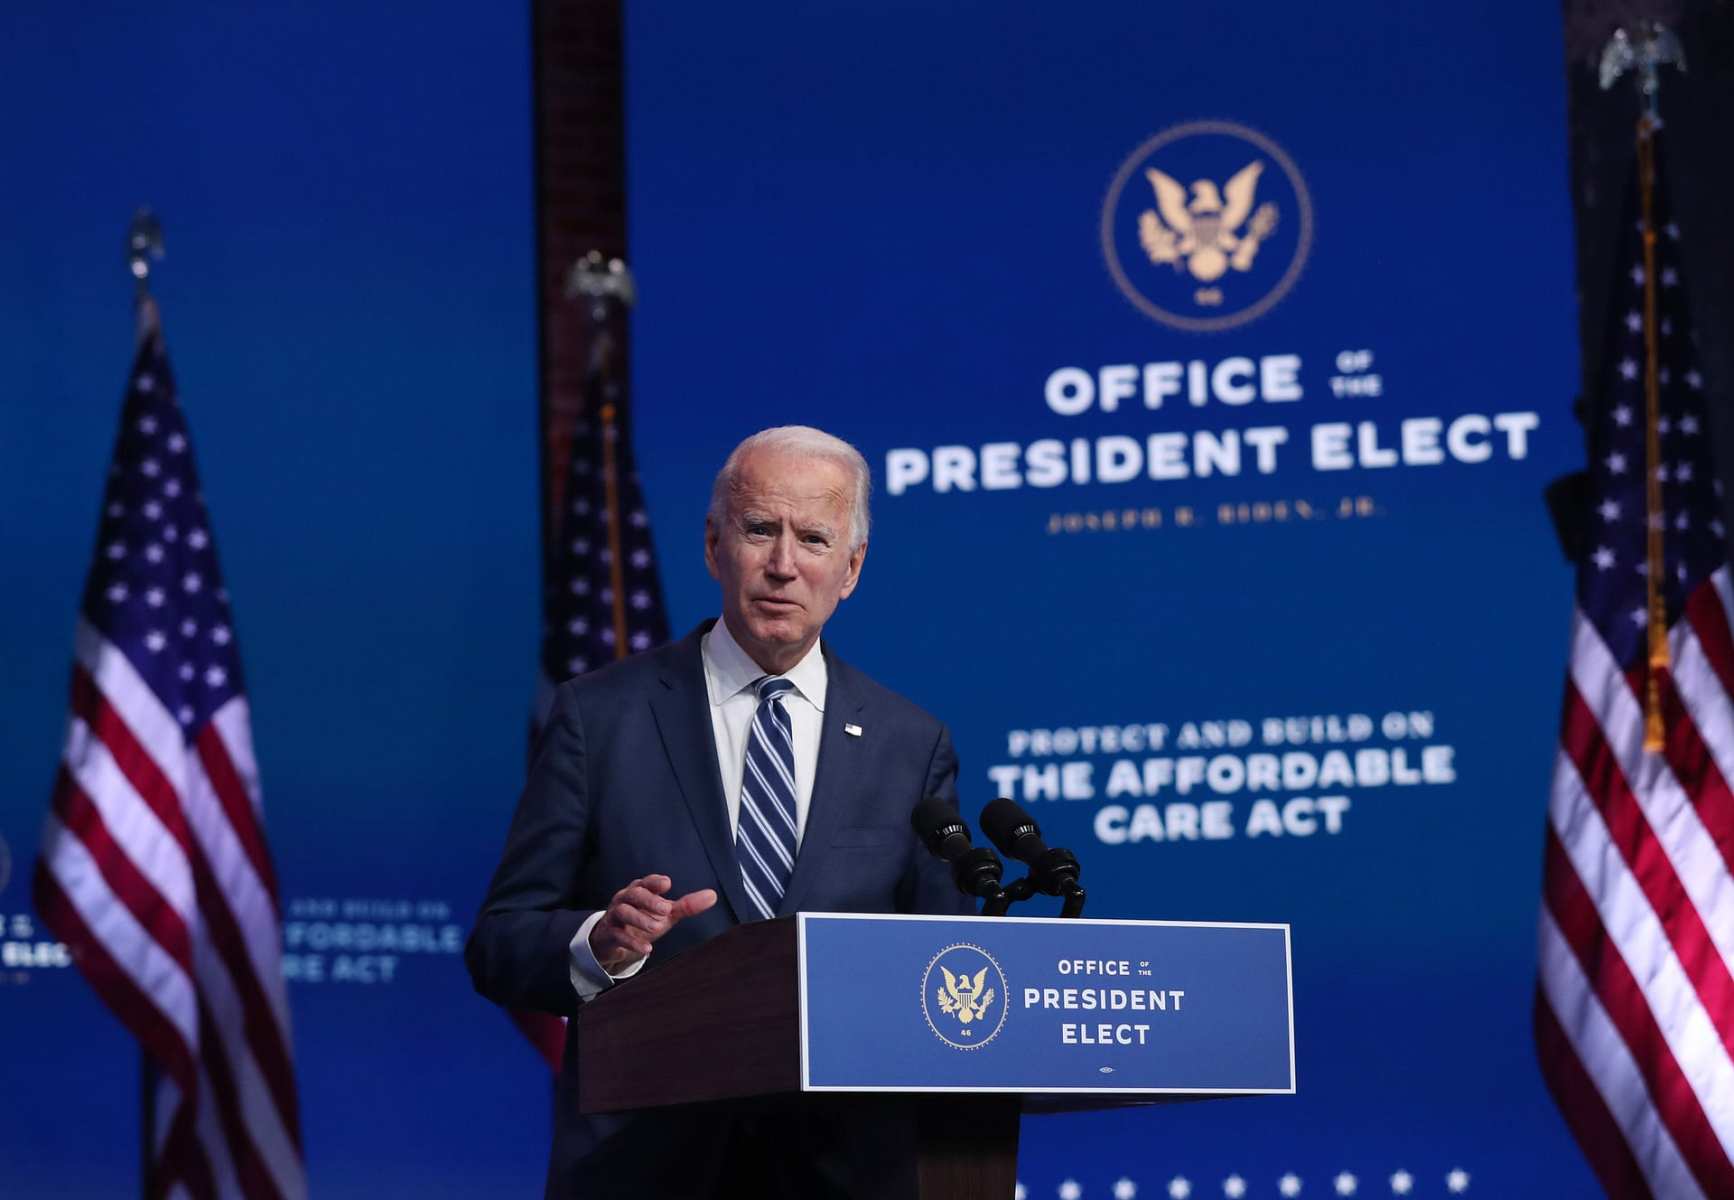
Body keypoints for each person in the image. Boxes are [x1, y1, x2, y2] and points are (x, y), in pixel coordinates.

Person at [465, 425, 972, 1199]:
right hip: (645, 1170)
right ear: (712, 544)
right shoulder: (600, 719)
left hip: (840, 1172)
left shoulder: (911, 744)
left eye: (813, 538)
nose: (782, 565)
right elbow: (499, 941)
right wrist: (599, 945)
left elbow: (943, 969)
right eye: (760, 528)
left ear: (851, 569)